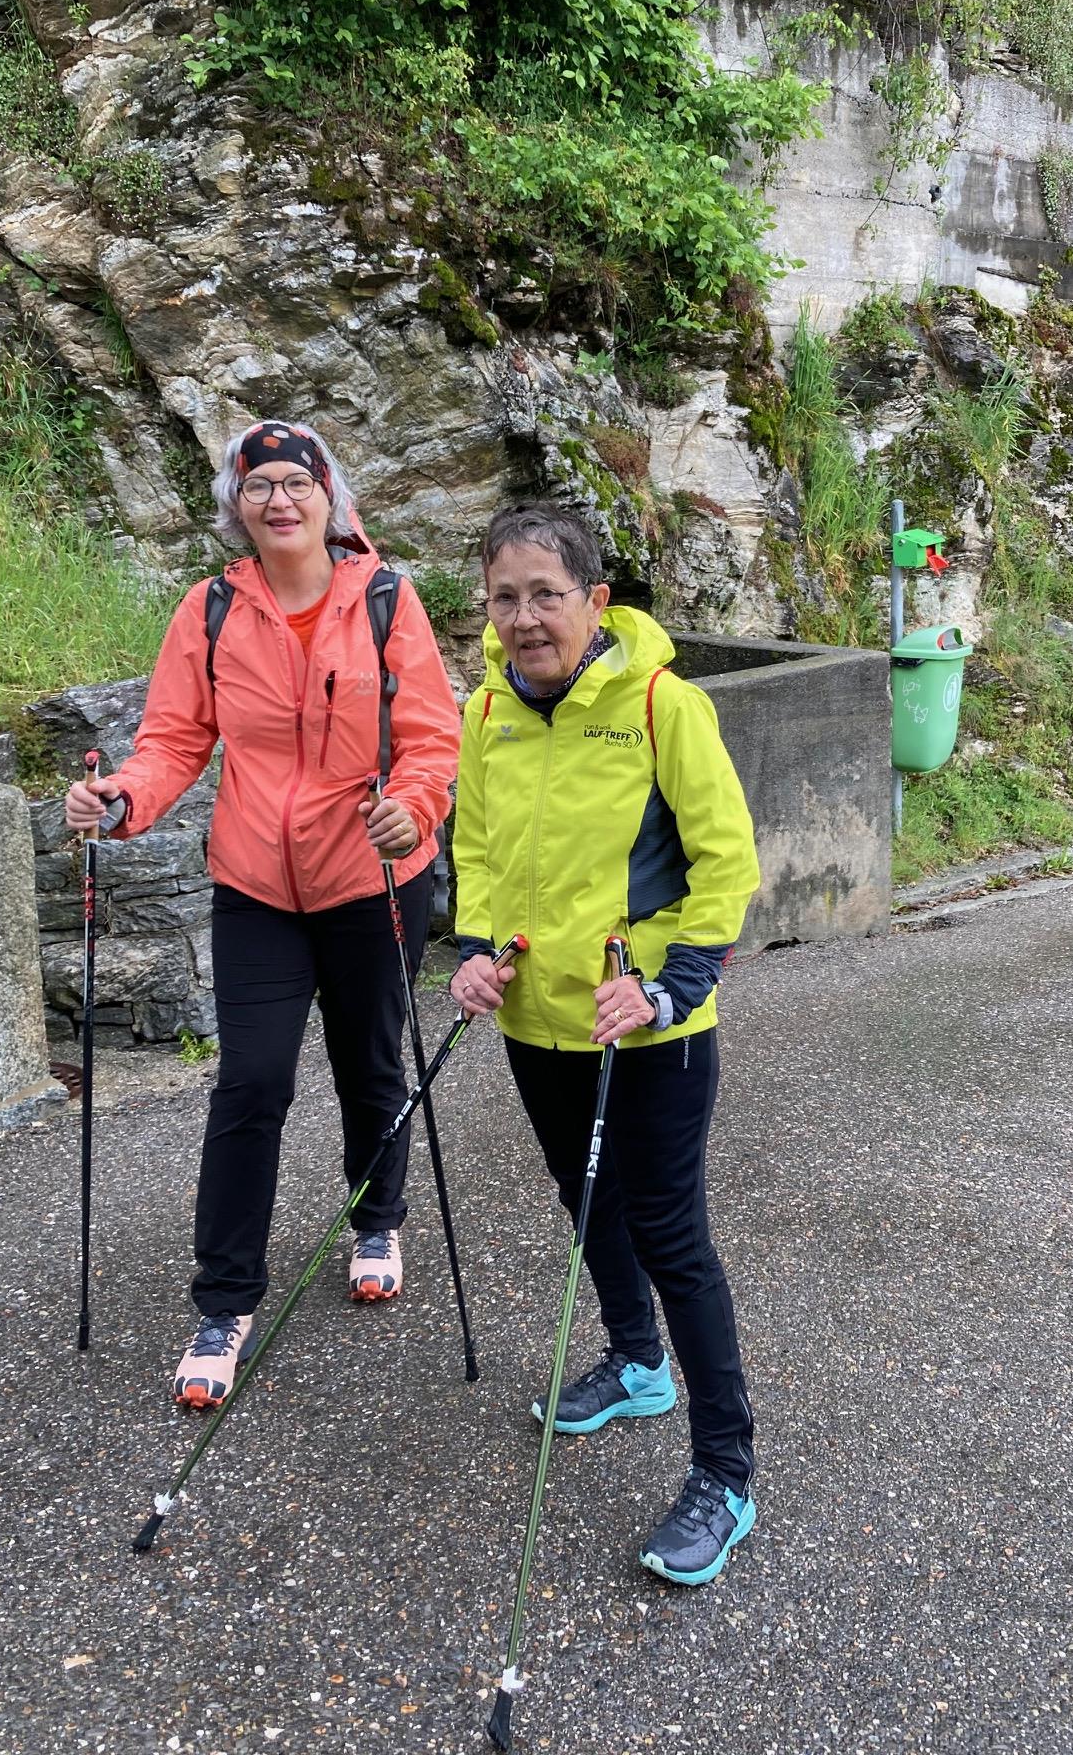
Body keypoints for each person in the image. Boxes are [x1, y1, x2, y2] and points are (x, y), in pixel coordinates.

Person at [64, 419, 459, 1408]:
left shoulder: (384, 600)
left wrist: (411, 809)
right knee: (249, 1084)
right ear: (235, 508)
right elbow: (171, 738)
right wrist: (122, 800)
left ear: (331, 497)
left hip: (372, 878)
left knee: (371, 1061)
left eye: (296, 481)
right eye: (258, 486)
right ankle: (224, 1300)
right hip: (255, 886)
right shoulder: (207, 612)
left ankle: (379, 1217)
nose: (279, 500)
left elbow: (431, 740)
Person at [449, 503, 762, 1587]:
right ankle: (636, 1362)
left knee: (673, 1236)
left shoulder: (661, 704)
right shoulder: (488, 709)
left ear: (596, 602)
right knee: (586, 1202)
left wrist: (668, 985)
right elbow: (478, 850)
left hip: (652, 1026)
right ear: (486, 608)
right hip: (540, 1020)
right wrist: (479, 948)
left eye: (548, 594)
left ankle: (725, 1474)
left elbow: (725, 864)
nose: (528, 617)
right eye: (506, 597)